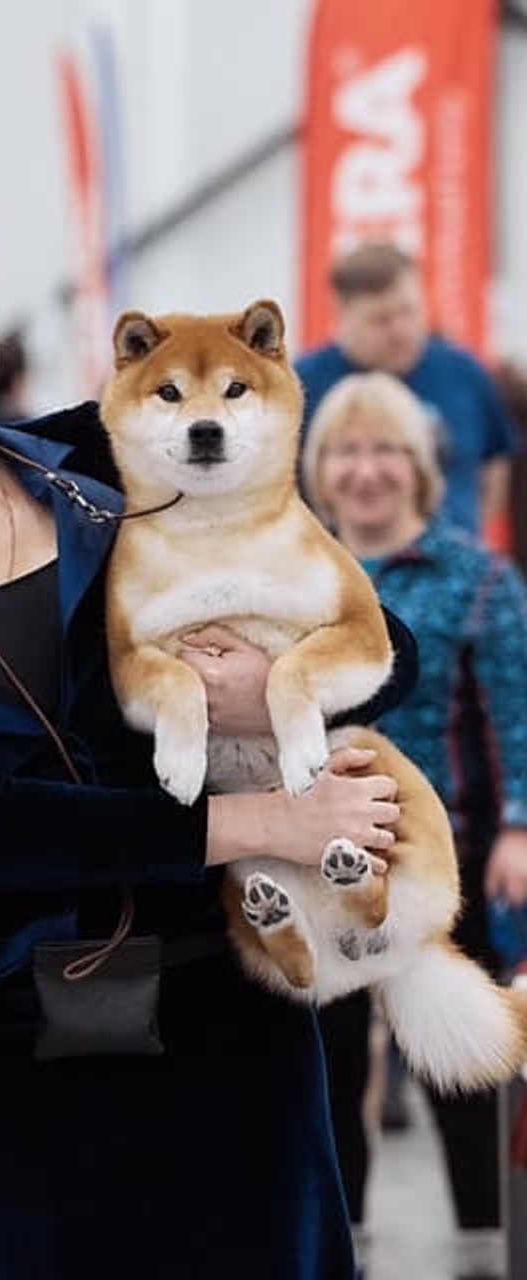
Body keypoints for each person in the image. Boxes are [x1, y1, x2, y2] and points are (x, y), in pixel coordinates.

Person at [0, 167, 413, 1280]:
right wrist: (257, 820)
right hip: (17, 1056)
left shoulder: (113, 462)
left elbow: (382, 645)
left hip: (234, 1013)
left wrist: (259, 690)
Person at [302, 371, 527, 1279]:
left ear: (422, 467)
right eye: (348, 451)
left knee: (458, 1070)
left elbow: (516, 712)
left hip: (450, 861)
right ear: (321, 467)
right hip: (320, 858)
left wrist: (518, 828)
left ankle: (484, 1244)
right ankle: (336, 1244)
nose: (366, 471)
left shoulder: (479, 580)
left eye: (385, 450)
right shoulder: (300, 577)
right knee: (326, 1071)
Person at [295, 241, 519, 544]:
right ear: (342, 315)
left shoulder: (464, 371)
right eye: (381, 319)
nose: (399, 329)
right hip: (348, 572)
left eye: (408, 311)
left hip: (455, 569)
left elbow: (495, 466)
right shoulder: (301, 385)